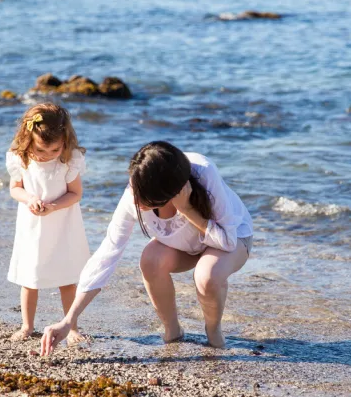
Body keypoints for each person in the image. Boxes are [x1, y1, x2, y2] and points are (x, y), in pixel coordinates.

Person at [41, 140, 252, 353]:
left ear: (172, 193)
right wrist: (68, 320)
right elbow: (107, 255)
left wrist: (187, 208)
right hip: (183, 247)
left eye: (148, 202)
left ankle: (213, 331)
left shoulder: (203, 173)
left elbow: (228, 241)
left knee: (206, 275)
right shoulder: (135, 192)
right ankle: (173, 332)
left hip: (230, 240)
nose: (139, 204)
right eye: (137, 195)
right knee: (150, 259)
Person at [6, 102, 89, 341]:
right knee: (30, 278)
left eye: (55, 150)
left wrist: (54, 206)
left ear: (65, 140)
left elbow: (76, 194)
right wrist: (30, 198)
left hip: (63, 224)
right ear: (28, 139)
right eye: (42, 151)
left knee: (67, 278)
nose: (48, 156)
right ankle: (27, 326)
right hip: (33, 226)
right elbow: (15, 189)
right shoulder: (20, 158)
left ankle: (71, 326)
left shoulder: (68, 159)